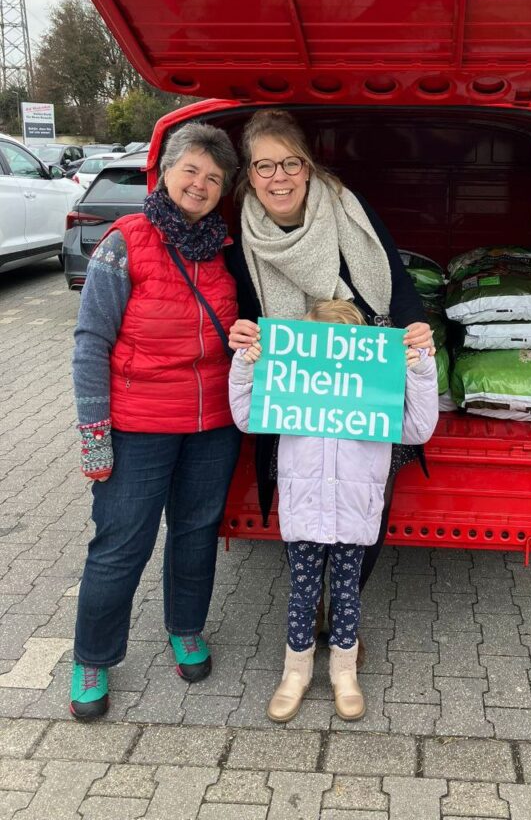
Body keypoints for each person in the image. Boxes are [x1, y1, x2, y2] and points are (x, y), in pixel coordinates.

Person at [226, 109, 434, 662]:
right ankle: (310, 605)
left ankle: (344, 615)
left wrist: (415, 334)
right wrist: (241, 336)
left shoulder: (347, 207)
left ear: (308, 166)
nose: (279, 177)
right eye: (264, 166)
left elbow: (393, 278)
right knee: (303, 501)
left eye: (290, 163)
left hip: (368, 377)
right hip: (295, 385)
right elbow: (243, 308)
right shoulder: (243, 234)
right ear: (250, 175)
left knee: (366, 504)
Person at [69, 122, 242, 720]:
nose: (200, 184)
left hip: (213, 425)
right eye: (190, 169)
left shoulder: (225, 249)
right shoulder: (125, 242)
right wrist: (94, 434)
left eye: (213, 177)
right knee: (121, 544)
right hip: (138, 426)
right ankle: (92, 657)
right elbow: (91, 342)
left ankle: (186, 628)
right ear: (165, 172)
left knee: (196, 534)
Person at [228, 298, 438, 721]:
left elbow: (418, 428)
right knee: (302, 595)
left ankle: (345, 672)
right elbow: (247, 418)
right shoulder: (292, 388)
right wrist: (246, 366)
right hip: (305, 508)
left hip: (354, 511)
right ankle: (295, 672)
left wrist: (419, 369)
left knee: (347, 593)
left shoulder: (375, 391)